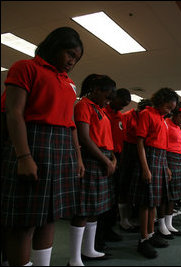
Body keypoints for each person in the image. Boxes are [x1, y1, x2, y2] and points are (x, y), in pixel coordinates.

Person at [1, 27, 84, 266]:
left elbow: (71, 124)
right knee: (24, 221)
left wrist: (77, 157)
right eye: (69, 54)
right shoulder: (25, 67)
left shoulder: (69, 83)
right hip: (33, 142)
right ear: (54, 46)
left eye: (76, 59)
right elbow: (14, 114)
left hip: (62, 148)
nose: (71, 61)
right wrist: (24, 156)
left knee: (50, 216)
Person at [69, 74, 117, 266]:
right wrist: (106, 160)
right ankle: (74, 258)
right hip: (92, 159)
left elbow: (106, 137)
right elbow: (84, 137)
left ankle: (89, 250)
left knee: (95, 208)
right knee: (83, 209)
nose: (108, 101)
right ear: (96, 90)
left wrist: (113, 158)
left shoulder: (100, 109)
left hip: (104, 158)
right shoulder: (83, 105)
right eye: (106, 96)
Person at [130, 88, 178, 259]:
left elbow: (163, 146)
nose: (169, 111)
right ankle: (143, 240)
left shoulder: (162, 119)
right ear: (159, 101)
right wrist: (145, 168)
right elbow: (140, 142)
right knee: (145, 202)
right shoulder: (146, 114)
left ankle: (150, 234)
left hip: (160, 160)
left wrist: (166, 166)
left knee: (154, 202)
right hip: (149, 159)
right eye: (167, 107)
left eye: (171, 109)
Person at [95, 88, 131, 251]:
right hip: (105, 157)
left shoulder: (120, 117)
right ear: (114, 98)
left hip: (119, 159)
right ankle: (98, 237)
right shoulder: (103, 112)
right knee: (102, 200)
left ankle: (109, 229)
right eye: (122, 103)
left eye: (126, 105)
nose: (123, 107)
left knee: (114, 197)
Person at [157, 102, 181, 238]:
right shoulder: (166, 124)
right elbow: (163, 146)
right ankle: (161, 225)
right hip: (168, 160)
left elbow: (179, 145)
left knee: (173, 196)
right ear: (175, 113)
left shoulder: (178, 127)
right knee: (165, 196)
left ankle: (169, 223)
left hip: (177, 161)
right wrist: (165, 166)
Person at [118, 99, 152, 232]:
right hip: (128, 151)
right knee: (124, 186)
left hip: (142, 151)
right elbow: (122, 137)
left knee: (137, 186)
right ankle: (123, 219)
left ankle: (136, 217)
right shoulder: (126, 116)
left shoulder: (148, 116)